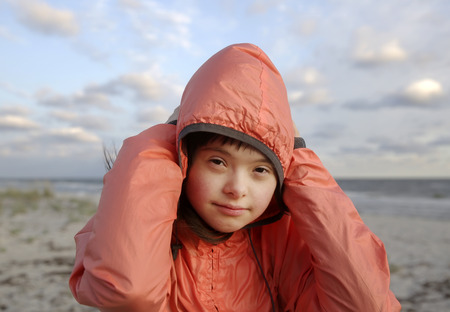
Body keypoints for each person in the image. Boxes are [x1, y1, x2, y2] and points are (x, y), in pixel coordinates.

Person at [69, 43, 401, 311]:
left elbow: (364, 304)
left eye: (260, 170)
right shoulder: (150, 232)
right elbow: (127, 292)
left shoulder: (285, 242)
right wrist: (168, 135)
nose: (236, 189)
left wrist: (297, 154)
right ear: (184, 159)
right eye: (217, 162)